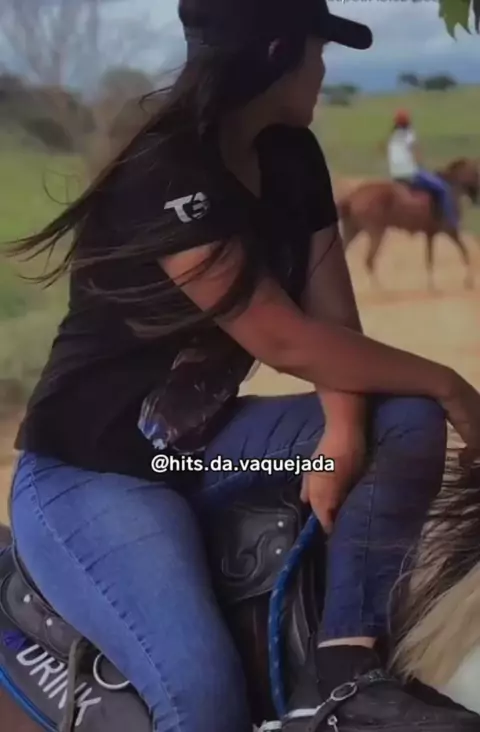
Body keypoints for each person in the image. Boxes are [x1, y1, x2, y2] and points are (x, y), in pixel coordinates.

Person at [8, 0, 480, 730]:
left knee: (400, 417)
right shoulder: (167, 171)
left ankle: (349, 667)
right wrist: (449, 383)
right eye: (316, 52)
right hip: (94, 473)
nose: (322, 70)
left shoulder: (293, 156)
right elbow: (281, 339)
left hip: (203, 450)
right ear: (275, 54)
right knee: (201, 697)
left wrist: (343, 430)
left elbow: (333, 320)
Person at [386, 109, 459, 231]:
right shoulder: (410, 134)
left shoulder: (392, 137)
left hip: (395, 175)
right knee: (443, 188)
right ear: (408, 122)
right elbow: (417, 155)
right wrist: (423, 167)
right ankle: (450, 221)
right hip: (410, 174)